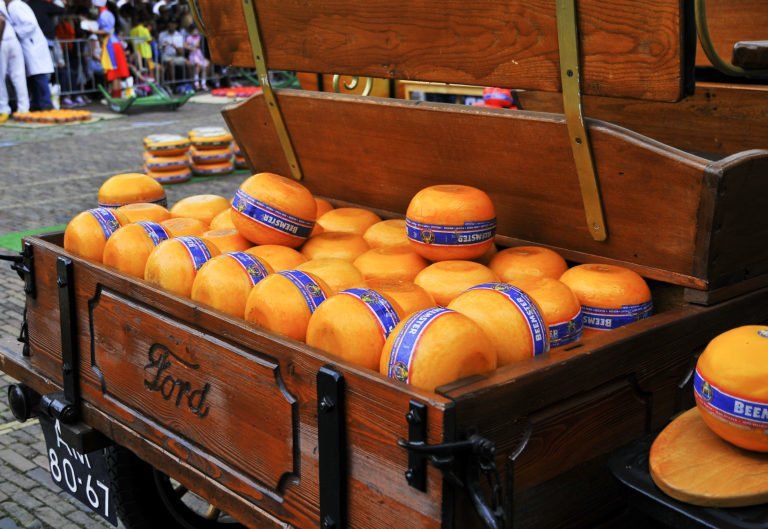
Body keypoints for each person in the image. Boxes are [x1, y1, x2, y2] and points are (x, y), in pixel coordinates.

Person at [6, 0, 54, 111]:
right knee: (34, 77)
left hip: (32, 44)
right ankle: (37, 104)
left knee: (38, 75)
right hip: (30, 44)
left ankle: (46, 104)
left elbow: (30, 24)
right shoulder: (17, 5)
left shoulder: (15, 6)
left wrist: (14, 32)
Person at [91, 0, 128, 98]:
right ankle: (117, 97)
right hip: (113, 44)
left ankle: (116, 98)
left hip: (111, 45)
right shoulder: (107, 13)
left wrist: (93, 31)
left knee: (114, 74)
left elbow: (107, 31)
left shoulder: (104, 15)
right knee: (116, 74)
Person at [0, 0, 29, 122]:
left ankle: (3, 110)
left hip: (3, 40)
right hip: (12, 40)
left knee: (0, 78)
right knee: (19, 76)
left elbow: (1, 20)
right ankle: (24, 109)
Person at [185, 24, 207, 90]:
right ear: (191, 30)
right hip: (193, 55)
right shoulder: (189, 37)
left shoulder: (199, 37)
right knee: (197, 66)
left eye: (196, 30)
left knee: (204, 67)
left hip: (199, 54)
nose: (196, 31)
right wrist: (190, 48)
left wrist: (194, 46)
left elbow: (198, 45)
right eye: (194, 30)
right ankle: (196, 83)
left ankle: (203, 84)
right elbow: (185, 45)